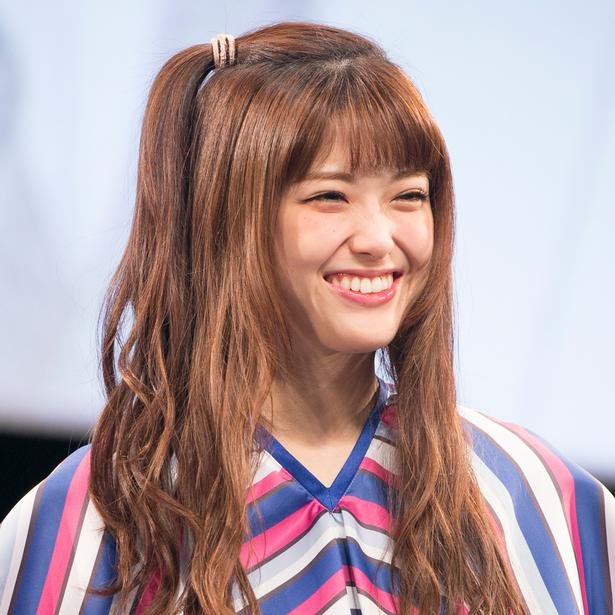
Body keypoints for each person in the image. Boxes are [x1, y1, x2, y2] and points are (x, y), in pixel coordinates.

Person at [0, 20, 613, 615]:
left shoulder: (532, 495)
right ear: (227, 222)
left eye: (409, 195)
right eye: (329, 197)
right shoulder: (100, 518)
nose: (378, 239)